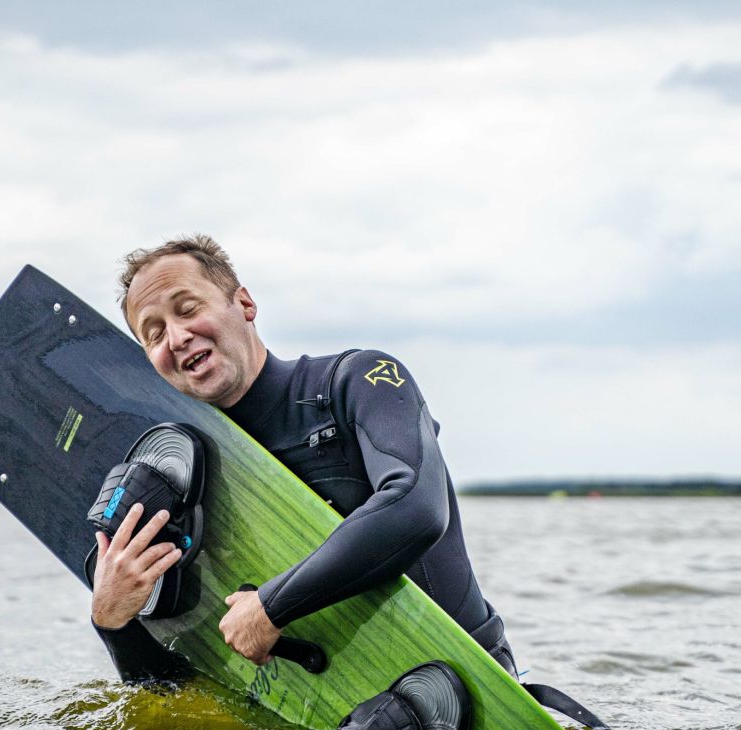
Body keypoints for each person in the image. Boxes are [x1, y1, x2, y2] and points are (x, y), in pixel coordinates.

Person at [87, 235, 516, 683]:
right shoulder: (184, 475)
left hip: (458, 687)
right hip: (338, 710)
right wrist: (112, 622)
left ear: (245, 304)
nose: (176, 337)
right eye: (154, 334)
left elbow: (417, 508)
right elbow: (172, 692)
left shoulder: (358, 382)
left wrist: (272, 607)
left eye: (189, 308)